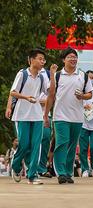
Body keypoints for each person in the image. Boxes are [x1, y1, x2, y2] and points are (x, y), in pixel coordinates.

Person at [44, 47, 93, 184]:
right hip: (60, 117)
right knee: (62, 143)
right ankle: (60, 173)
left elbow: (90, 93)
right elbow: (51, 94)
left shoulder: (82, 75)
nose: (73, 59)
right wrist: (45, 114)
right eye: (70, 57)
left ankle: (68, 172)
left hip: (77, 117)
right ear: (63, 59)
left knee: (72, 146)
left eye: (75, 57)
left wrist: (82, 96)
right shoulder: (58, 75)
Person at [10, 48, 49, 185]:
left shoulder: (43, 77)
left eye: (44, 59)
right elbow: (13, 92)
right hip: (22, 115)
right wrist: (26, 97)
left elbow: (49, 92)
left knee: (36, 146)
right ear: (32, 60)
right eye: (40, 58)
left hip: (37, 115)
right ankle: (15, 165)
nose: (43, 61)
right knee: (24, 144)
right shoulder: (22, 74)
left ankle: (32, 176)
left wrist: (54, 75)